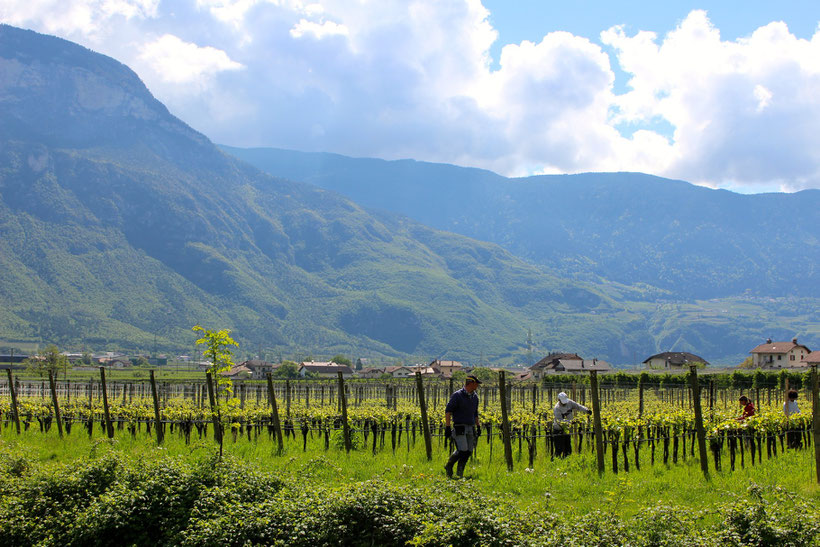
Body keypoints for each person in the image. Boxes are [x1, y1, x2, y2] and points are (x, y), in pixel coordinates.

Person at [444, 375, 482, 478]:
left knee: (469, 451)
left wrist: (478, 426)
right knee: (462, 450)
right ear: (470, 383)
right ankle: (449, 465)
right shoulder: (457, 395)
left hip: (471, 427)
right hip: (459, 426)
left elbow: (475, 413)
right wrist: (448, 427)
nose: (477, 385)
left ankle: (460, 473)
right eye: (476, 383)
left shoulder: (475, 397)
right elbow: (448, 411)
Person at [552, 391, 591, 458]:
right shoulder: (557, 408)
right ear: (559, 400)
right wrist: (571, 422)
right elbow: (560, 420)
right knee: (559, 449)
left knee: (568, 448)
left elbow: (578, 406)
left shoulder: (570, 402)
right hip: (558, 429)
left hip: (567, 429)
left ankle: (567, 461)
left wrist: (586, 410)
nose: (564, 403)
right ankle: (556, 462)